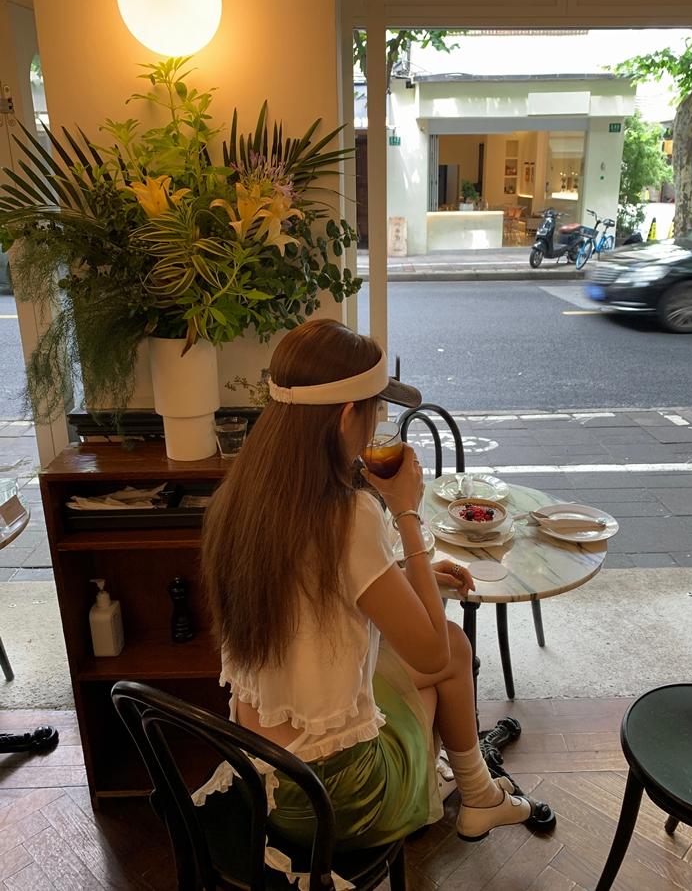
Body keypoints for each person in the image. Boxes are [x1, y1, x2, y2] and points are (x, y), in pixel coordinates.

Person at [199, 318, 552, 860]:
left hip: (263, 769)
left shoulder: (244, 495)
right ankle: (462, 789)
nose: (377, 425)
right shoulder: (349, 516)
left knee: (454, 648)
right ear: (347, 416)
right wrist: (406, 510)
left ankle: (479, 794)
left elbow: (315, 588)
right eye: (375, 410)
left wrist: (407, 578)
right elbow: (429, 652)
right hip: (336, 798)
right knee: (441, 666)